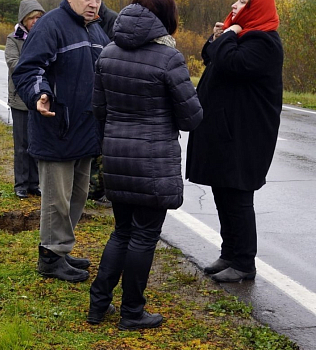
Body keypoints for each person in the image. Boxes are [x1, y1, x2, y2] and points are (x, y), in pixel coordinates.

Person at [87, 0, 203, 330]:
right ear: (166, 17)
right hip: (153, 163)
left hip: (117, 157)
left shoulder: (107, 53)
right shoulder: (168, 58)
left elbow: (98, 109)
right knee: (144, 237)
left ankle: (98, 306)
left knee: (122, 231)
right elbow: (192, 117)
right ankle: (132, 312)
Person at [185, 0, 283, 283]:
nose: (234, 4)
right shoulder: (240, 35)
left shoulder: (264, 41)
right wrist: (220, 36)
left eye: (243, 1)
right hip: (227, 131)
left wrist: (228, 36)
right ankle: (229, 252)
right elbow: (210, 55)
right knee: (222, 190)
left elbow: (231, 63)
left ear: (257, 8)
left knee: (238, 195)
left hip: (246, 134)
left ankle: (244, 262)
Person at [13, 0, 110, 283]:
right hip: (56, 127)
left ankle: (62, 250)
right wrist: (38, 95)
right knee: (57, 198)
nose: (94, 3)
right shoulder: (51, 24)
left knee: (78, 196)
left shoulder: (96, 31)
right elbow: (28, 70)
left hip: (86, 129)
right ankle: (50, 257)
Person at [5, 0, 44, 199]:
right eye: (32, 18)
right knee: (21, 145)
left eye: (39, 17)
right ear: (24, 20)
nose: (36, 21)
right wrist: (34, 65)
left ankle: (33, 184)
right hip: (20, 99)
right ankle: (20, 184)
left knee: (35, 144)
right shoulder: (13, 39)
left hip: (40, 98)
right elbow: (13, 63)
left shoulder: (45, 37)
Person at [87, 2, 118, 207]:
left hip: (107, 88)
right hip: (91, 88)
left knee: (106, 145)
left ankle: (105, 189)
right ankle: (94, 187)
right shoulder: (83, 19)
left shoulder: (111, 20)